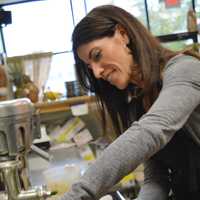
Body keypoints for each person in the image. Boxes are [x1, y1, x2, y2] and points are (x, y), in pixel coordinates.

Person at [60, 5, 200, 200]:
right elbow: (156, 178)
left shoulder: (184, 69)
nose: (97, 72)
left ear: (123, 34)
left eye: (97, 55)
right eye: (89, 66)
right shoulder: (137, 103)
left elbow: (152, 130)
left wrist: (77, 194)